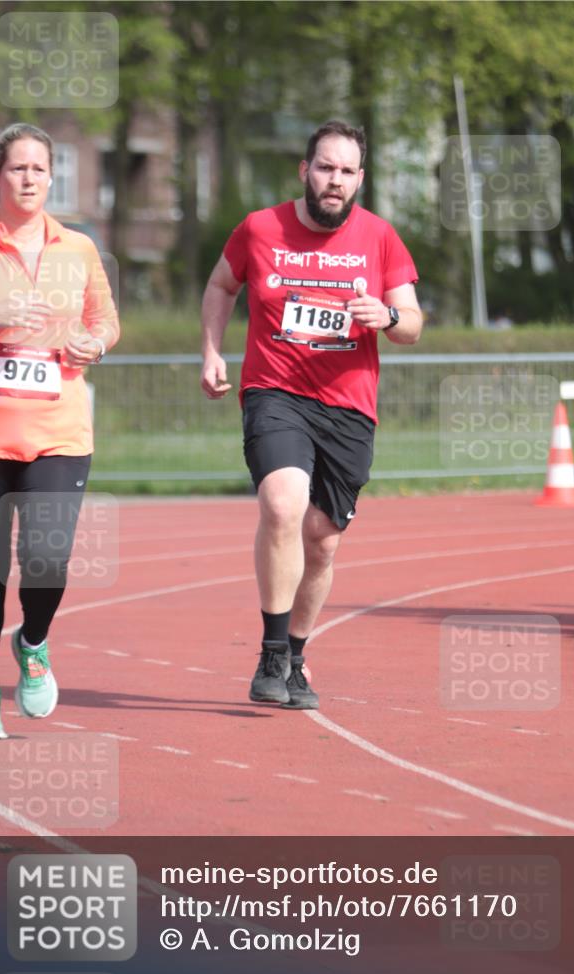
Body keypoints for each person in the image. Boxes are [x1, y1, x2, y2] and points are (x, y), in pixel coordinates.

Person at [201, 120, 422, 710]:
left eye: (347, 172)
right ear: (305, 171)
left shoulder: (380, 237)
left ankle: (296, 656)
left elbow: (414, 323)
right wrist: (210, 351)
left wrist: (389, 318)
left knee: (322, 541)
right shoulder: (259, 228)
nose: (335, 181)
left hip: (349, 405)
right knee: (282, 504)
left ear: (360, 180)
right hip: (276, 392)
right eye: (325, 168)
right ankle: (271, 654)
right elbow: (222, 285)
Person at [0, 123, 119, 738]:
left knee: (47, 559)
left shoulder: (77, 249)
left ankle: (33, 642)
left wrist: (95, 344)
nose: (29, 179)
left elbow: (105, 323)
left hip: (58, 429)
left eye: (39, 169)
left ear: (51, 178)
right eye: (17, 169)